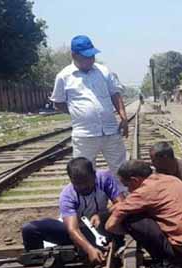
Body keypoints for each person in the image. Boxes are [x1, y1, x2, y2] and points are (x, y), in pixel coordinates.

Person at [106, 160, 182, 267]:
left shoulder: (144, 192)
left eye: (127, 186)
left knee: (131, 218)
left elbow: (110, 225)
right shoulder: (170, 179)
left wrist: (129, 232)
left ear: (135, 180)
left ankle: (164, 262)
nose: (129, 191)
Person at [21, 157, 125, 264]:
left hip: (100, 227)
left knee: (128, 213)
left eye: (86, 182)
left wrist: (101, 215)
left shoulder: (104, 178)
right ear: (71, 180)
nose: (83, 187)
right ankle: (37, 262)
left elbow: (122, 204)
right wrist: (90, 250)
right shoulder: (67, 196)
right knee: (30, 229)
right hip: (78, 233)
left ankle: (120, 245)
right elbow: (73, 230)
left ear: (94, 175)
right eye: (78, 184)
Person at [50, 35, 128, 176]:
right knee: (84, 173)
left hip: (110, 131)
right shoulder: (64, 76)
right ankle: (92, 198)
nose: (91, 59)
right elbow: (58, 103)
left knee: (122, 170)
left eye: (92, 55)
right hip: (84, 135)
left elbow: (115, 94)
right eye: (86, 57)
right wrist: (77, 112)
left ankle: (125, 197)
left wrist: (123, 117)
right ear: (74, 55)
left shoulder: (104, 71)